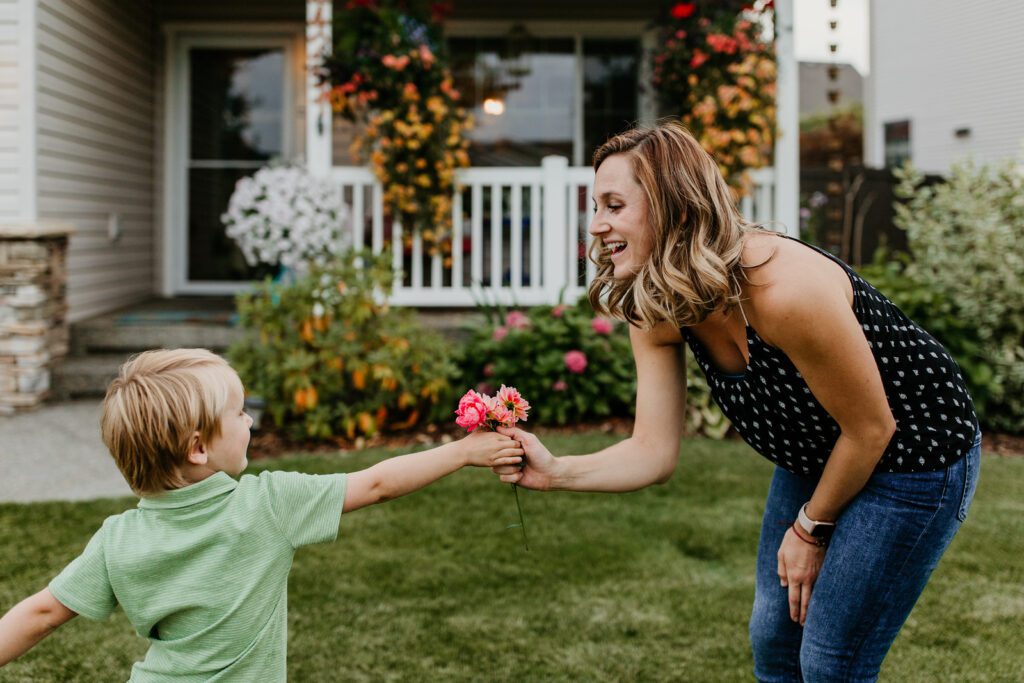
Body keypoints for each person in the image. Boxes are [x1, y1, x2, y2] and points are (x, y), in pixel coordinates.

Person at [493, 121, 981, 682]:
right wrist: (555, 472)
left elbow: (872, 429)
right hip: (822, 450)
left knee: (831, 662)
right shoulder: (654, 303)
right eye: (595, 206)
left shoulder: (782, 290)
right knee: (774, 642)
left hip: (916, 456)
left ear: (674, 208)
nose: (598, 225)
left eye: (614, 205)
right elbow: (652, 450)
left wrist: (809, 530)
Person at [0, 348, 523, 680]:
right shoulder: (267, 503)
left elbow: (42, 612)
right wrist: (462, 452)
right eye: (240, 412)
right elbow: (379, 484)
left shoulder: (116, 540)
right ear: (199, 447)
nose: (250, 420)